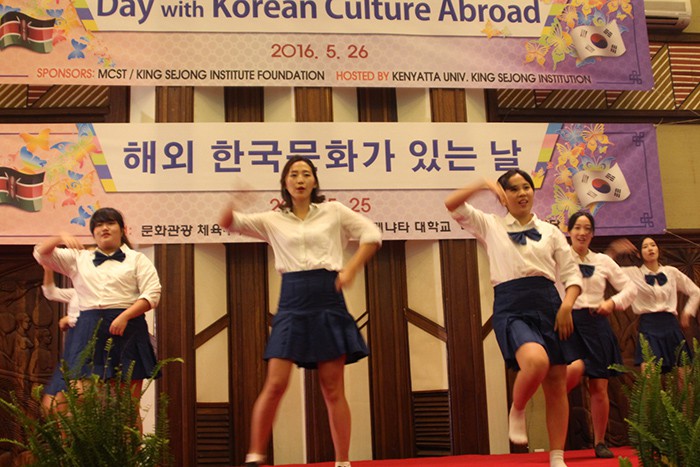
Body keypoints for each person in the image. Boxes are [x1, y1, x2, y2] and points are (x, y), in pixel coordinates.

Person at [218, 156, 381, 467]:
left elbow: (371, 235)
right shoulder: (272, 219)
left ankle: (342, 461)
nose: (300, 179)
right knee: (276, 382)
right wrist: (235, 199)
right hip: (291, 300)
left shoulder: (334, 211)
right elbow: (228, 222)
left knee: (332, 386)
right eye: (294, 174)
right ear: (286, 183)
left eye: (306, 174)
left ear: (315, 182)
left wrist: (351, 269)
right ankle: (255, 455)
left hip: (327, 298)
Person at [444, 169, 582, 467]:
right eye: (514, 189)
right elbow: (452, 204)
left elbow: (571, 274)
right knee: (536, 361)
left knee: (557, 382)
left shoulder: (551, 231)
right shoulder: (490, 224)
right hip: (511, 304)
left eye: (527, 187)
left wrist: (567, 304)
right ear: (502, 196)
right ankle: (517, 408)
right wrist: (482, 183)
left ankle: (557, 456)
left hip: (549, 303)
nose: (522, 193)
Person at [33, 207, 161, 430]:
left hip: (127, 327)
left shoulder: (137, 259)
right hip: (88, 328)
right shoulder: (79, 258)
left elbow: (152, 295)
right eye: (98, 225)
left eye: (110, 223)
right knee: (74, 396)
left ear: (123, 229)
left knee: (127, 407)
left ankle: (131, 461)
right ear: (93, 233)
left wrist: (125, 316)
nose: (104, 228)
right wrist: (60, 236)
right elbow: (40, 253)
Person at [564, 211, 637, 459]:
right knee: (567, 376)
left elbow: (630, 288)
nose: (582, 233)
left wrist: (612, 303)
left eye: (587, 228)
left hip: (597, 323)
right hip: (568, 323)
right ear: (569, 231)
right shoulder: (559, 258)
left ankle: (600, 442)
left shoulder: (603, 262)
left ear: (592, 234)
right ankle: (557, 444)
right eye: (577, 228)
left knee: (599, 386)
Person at [609, 237, 700, 373]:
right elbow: (604, 269)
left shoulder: (671, 272)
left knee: (684, 376)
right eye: (645, 247)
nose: (650, 248)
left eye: (653, 245)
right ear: (639, 254)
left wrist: (688, 312)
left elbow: (696, 292)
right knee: (650, 376)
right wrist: (613, 251)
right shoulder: (633, 272)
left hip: (671, 325)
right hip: (648, 327)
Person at [40, 265, 80, 414]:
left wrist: (72, 319)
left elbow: (100, 316)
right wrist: (48, 268)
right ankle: (64, 437)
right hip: (72, 347)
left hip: (87, 346)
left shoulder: (104, 292)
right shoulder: (76, 292)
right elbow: (50, 292)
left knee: (67, 403)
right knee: (51, 404)